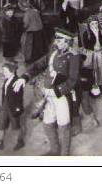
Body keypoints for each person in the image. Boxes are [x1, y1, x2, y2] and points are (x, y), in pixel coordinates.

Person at [14, 28, 81, 156]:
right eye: (57, 40)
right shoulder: (54, 53)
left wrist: (56, 91)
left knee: (64, 126)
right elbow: (38, 65)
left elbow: (73, 80)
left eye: (61, 41)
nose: (57, 42)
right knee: (48, 123)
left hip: (61, 96)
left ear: (68, 42)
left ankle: (64, 155)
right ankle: (55, 150)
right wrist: (25, 77)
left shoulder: (74, 56)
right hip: (49, 95)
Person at [0, 62, 25, 151]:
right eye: (3, 70)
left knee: (16, 126)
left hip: (13, 107)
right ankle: (0, 143)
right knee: (1, 124)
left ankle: (20, 142)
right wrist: (3, 105)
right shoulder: (7, 79)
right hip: (5, 105)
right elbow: (4, 93)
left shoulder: (17, 81)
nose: (3, 72)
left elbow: (19, 98)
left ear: (12, 71)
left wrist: (18, 110)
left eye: (5, 70)